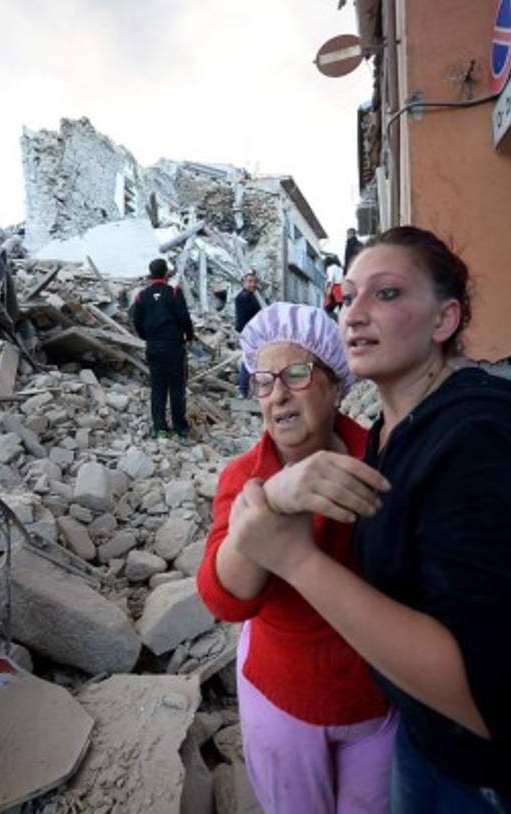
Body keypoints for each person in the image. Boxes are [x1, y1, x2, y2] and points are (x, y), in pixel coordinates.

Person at [227, 227, 511, 813]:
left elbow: (490, 695)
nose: (355, 312)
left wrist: (295, 559)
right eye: (349, 294)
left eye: (386, 294)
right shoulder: (389, 436)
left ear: (444, 320)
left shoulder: (484, 436)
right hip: (434, 746)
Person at [196, 302, 397, 814]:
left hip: (375, 696)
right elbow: (223, 598)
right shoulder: (245, 476)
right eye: (263, 381)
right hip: (282, 692)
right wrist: (275, 500)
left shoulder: (382, 463)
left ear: (335, 384)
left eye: (297, 373)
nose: (278, 394)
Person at [131, 257, 194, 439]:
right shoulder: (174, 292)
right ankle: (180, 427)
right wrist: (188, 336)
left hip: (154, 347)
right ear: (166, 272)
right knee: (177, 386)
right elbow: (184, 318)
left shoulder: (141, 296)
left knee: (158, 387)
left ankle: (160, 427)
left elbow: (137, 321)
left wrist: (147, 337)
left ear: (151, 274)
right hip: (174, 346)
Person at [234, 271, 263, 399]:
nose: (252, 284)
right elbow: (244, 320)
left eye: (254, 282)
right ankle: (243, 390)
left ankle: (247, 390)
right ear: (243, 283)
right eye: (249, 281)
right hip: (249, 333)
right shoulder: (243, 297)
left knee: (252, 360)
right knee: (248, 360)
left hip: (253, 333)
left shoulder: (250, 296)